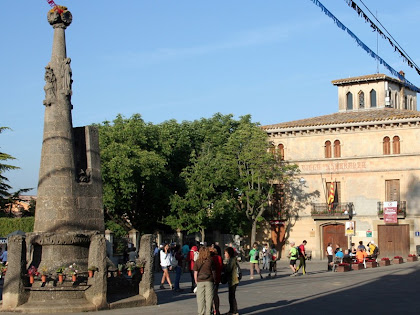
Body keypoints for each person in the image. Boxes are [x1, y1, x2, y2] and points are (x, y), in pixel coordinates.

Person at [193, 246, 216, 315]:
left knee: (200, 299)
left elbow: (195, 272)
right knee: (209, 299)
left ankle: (201, 313)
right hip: (209, 280)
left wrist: (196, 281)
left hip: (200, 281)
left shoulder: (197, 261)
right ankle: (208, 313)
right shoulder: (210, 261)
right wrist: (214, 280)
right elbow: (213, 271)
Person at [224, 247, 239, 315]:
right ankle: (232, 310)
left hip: (233, 280)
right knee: (231, 296)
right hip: (233, 280)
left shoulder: (231, 260)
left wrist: (224, 267)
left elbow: (229, 269)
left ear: (229, 253)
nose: (225, 254)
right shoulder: (232, 259)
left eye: (226, 253)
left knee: (232, 296)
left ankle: (234, 311)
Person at [210, 246, 223, 315]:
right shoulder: (219, 257)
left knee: (210, 296)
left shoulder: (210, 259)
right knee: (215, 294)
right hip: (218, 277)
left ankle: (212, 309)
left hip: (212, 278)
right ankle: (217, 310)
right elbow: (221, 266)